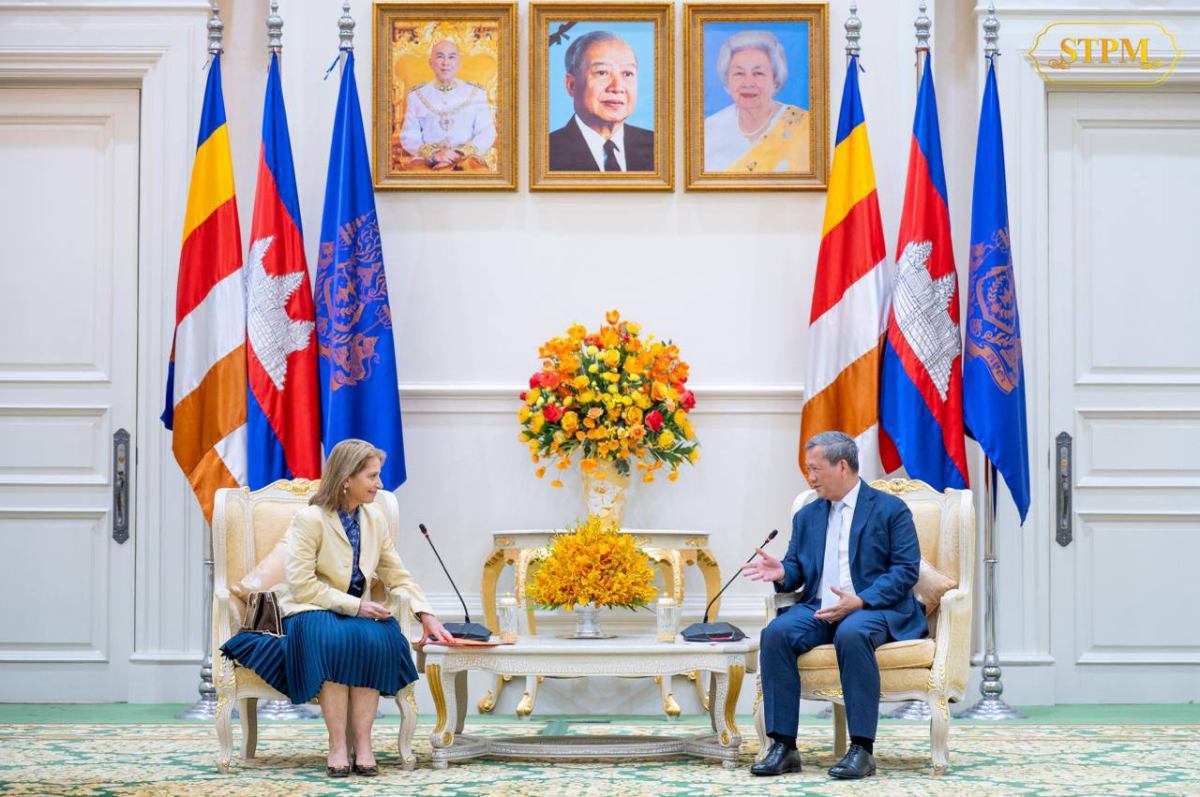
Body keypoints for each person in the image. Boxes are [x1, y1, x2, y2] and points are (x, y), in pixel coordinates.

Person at [220, 439, 454, 778]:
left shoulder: (375, 520)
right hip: (311, 609)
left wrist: (426, 614)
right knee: (331, 638)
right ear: (347, 478)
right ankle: (337, 746)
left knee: (380, 638)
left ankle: (364, 744)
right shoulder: (309, 519)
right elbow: (302, 585)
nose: (380, 484)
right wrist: (356, 606)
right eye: (372, 476)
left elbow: (397, 575)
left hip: (360, 613)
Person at [742, 431, 924, 780]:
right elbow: (796, 569)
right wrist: (782, 571)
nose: (810, 477)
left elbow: (905, 571)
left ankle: (862, 749)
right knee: (776, 633)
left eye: (815, 469)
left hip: (873, 608)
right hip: (820, 608)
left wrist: (862, 599)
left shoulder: (890, 509)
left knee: (852, 633)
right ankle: (783, 746)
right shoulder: (807, 515)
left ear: (842, 466)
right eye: (807, 469)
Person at [703, 30, 810, 173]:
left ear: (775, 80)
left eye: (758, 73)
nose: (748, 83)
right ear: (727, 81)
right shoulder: (710, 129)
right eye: (739, 73)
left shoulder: (804, 126)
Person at [548, 30, 654, 172]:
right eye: (602, 72)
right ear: (572, 85)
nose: (617, 87)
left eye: (627, 74)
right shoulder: (544, 153)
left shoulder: (659, 147)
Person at [398, 39, 496, 171]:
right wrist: (434, 155)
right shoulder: (416, 95)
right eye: (440, 57)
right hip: (427, 162)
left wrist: (459, 154)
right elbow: (409, 135)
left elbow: (486, 132)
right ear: (431, 63)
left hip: (466, 161)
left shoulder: (476, 93)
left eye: (451, 57)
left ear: (459, 63)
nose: (446, 63)